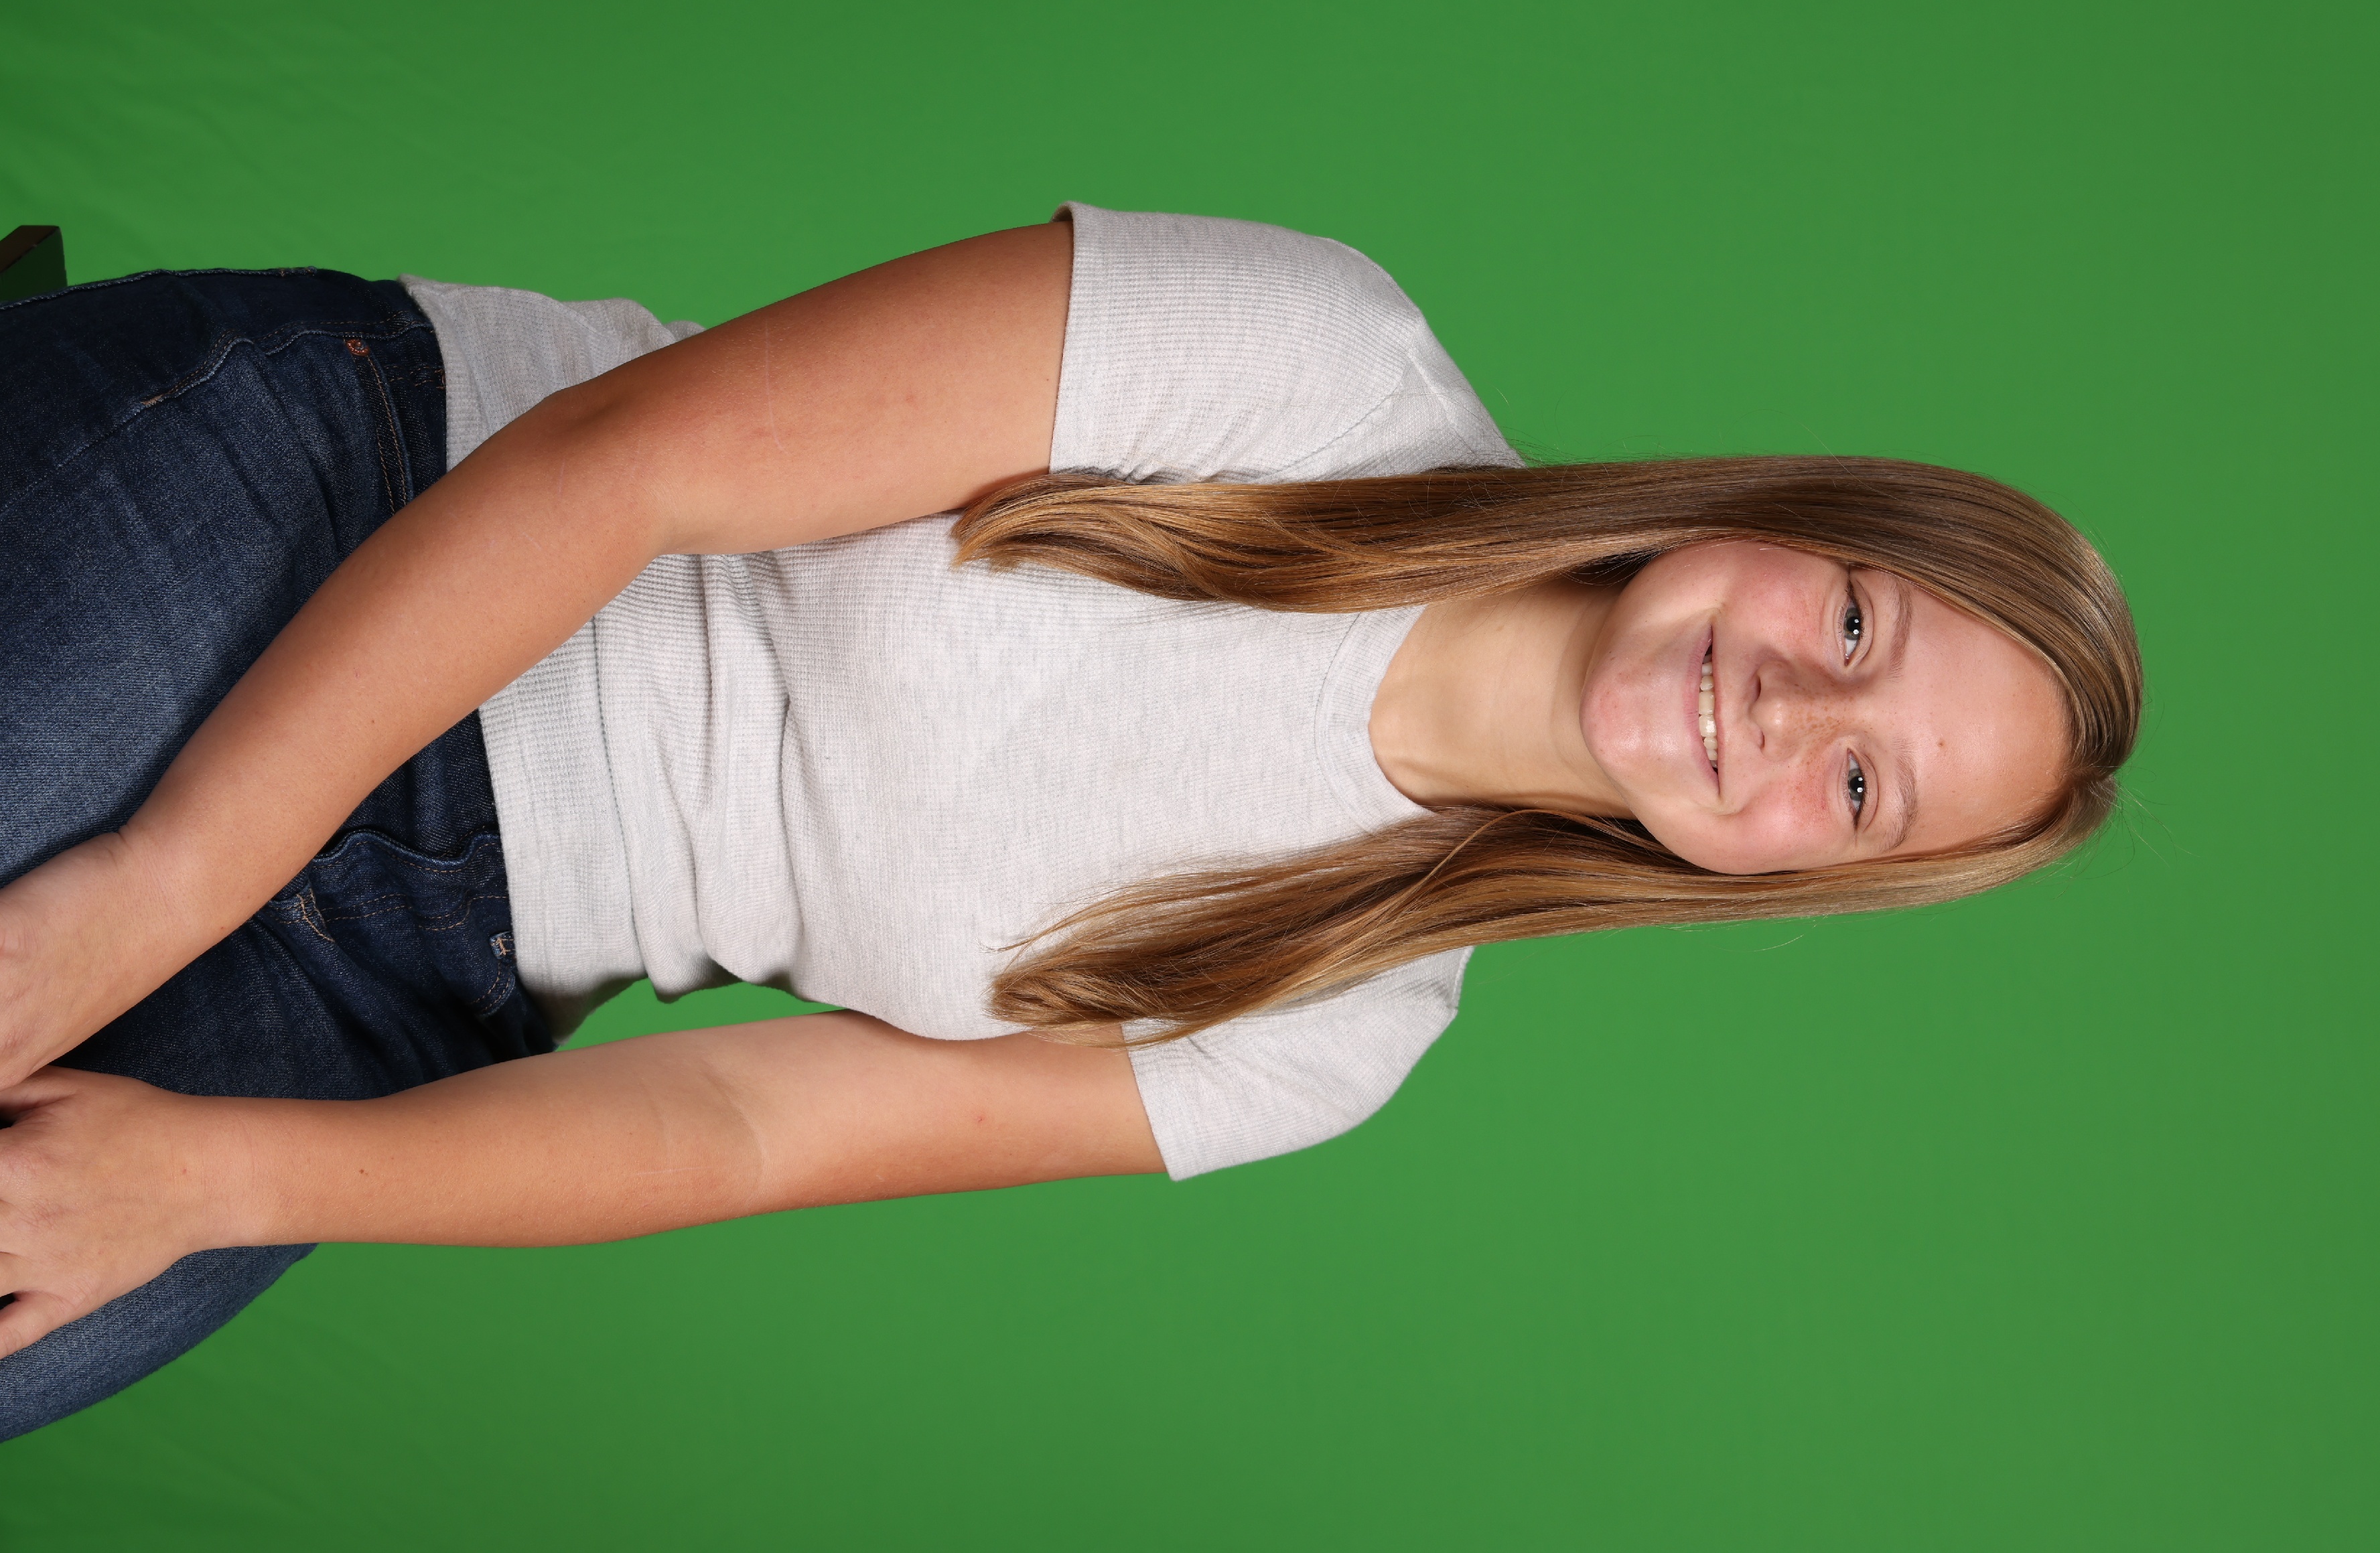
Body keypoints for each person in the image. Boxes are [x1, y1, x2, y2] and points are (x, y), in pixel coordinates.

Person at [0, 206, 2142, 1437]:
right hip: (358, 502)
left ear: (1795, 877)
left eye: (1860, 788)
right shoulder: (1326, 370)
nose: (1789, 712)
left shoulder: (1334, 1034)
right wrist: (156, 889)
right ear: (1796, 515)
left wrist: (213, 1177)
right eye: (1856, 621)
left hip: (430, 974)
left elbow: (744, 1130)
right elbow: (622, 467)